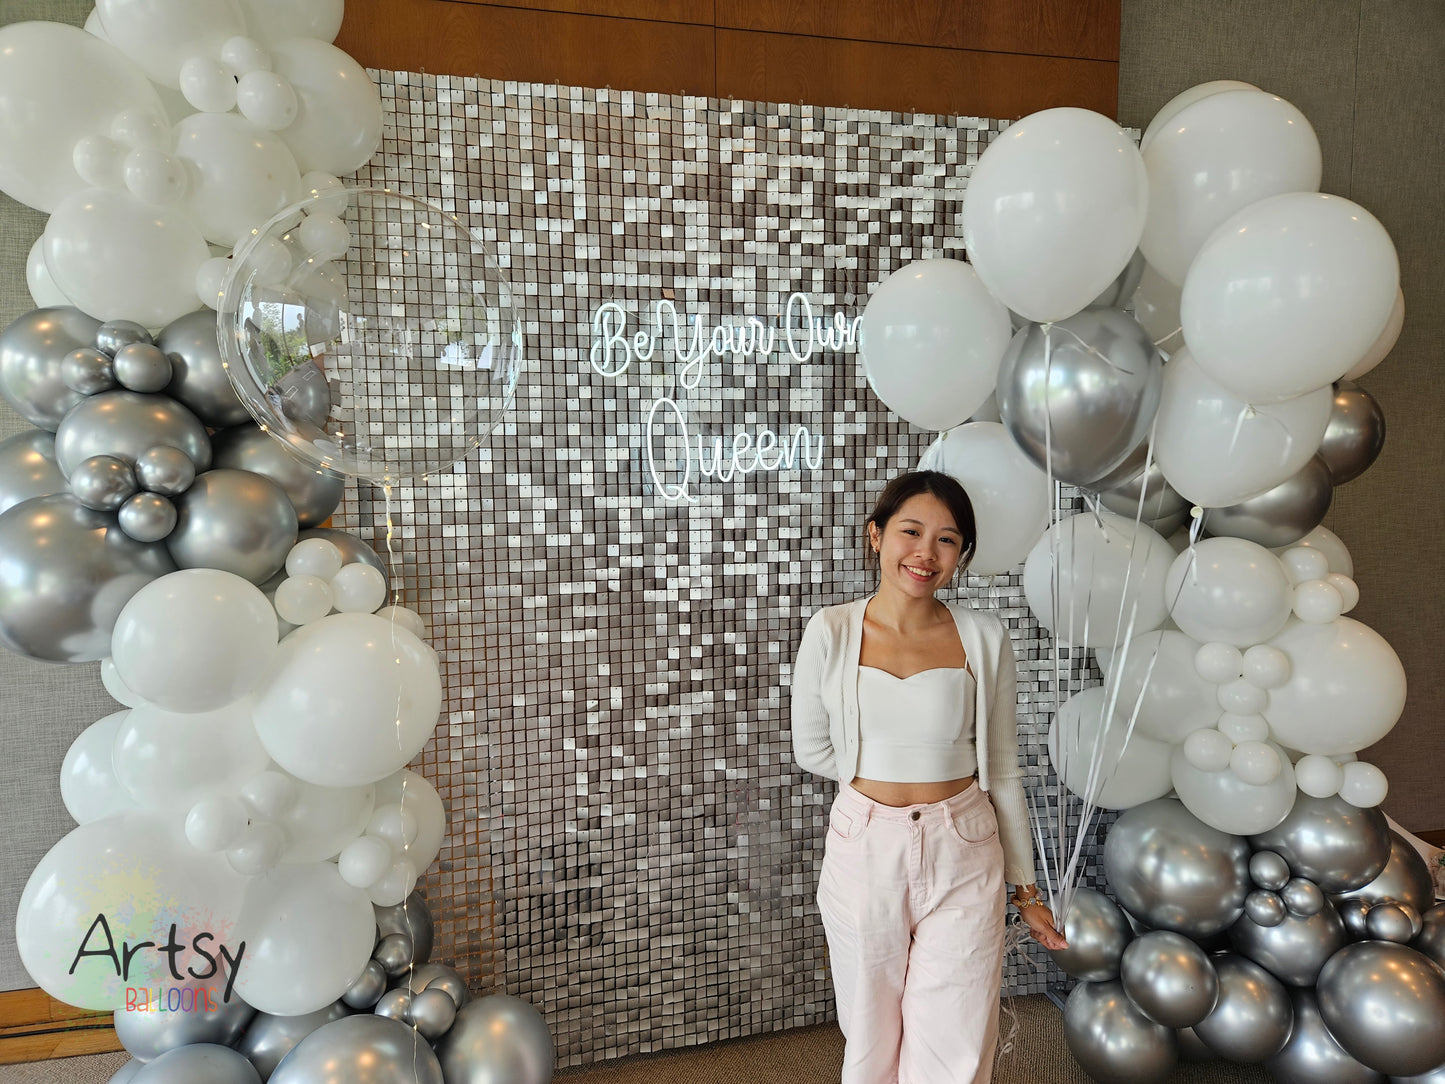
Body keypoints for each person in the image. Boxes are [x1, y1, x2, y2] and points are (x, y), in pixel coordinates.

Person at [790, 469, 1065, 1084]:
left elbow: (999, 770)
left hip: (964, 846)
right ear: (876, 536)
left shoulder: (984, 637)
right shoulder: (831, 631)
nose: (926, 552)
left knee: (956, 1044)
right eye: (911, 531)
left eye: (947, 540)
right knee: (871, 1042)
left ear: (961, 555)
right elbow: (813, 749)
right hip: (865, 850)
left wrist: (1026, 891)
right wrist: (884, 784)